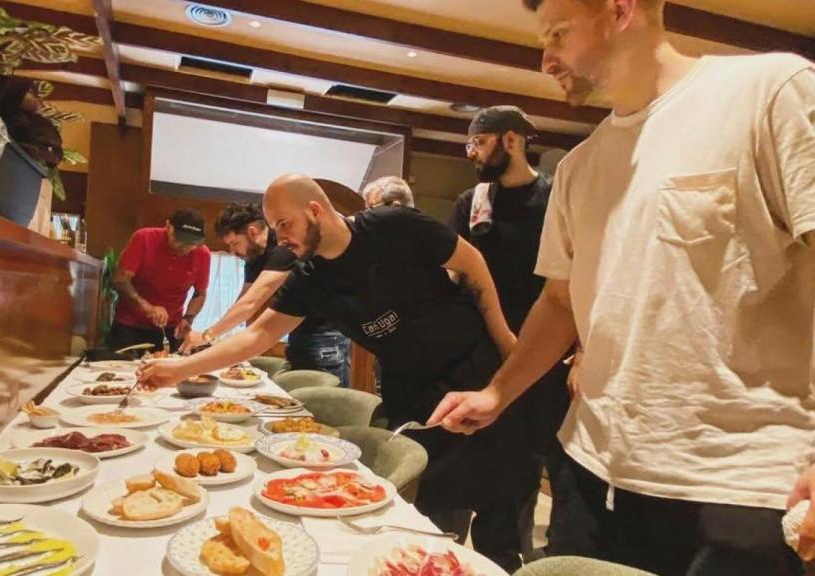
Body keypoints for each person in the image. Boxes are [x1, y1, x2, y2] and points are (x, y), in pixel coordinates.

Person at [429, 1, 814, 575]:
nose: (546, 58)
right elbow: (562, 299)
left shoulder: (769, 90)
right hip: (591, 468)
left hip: (739, 483)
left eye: (558, 33)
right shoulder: (582, 166)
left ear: (620, 10)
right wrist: (497, 393)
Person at [140, 174, 523, 570]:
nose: (281, 238)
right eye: (274, 229)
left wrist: (505, 341)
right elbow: (256, 335)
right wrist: (179, 368)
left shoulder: (391, 225)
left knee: (501, 506)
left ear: (315, 210)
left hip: (474, 368)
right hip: (409, 387)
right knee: (433, 513)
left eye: (284, 224)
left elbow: (471, 263)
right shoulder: (311, 278)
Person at [449, 105, 576, 563]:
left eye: (478, 143)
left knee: (535, 472)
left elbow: (571, 285)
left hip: (547, 352)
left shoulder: (556, 197)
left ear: (511, 141)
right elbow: (457, 274)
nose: (472, 154)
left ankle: (526, 561)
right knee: (485, 470)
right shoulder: (473, 202)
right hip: (484, 354)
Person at [180, 203, 351, 385]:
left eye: (234, 243)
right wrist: (221, 335)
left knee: (322, 403)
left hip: (325, 335)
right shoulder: (254, 258)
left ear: (253, 232)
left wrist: (207, 335)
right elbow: (244, 300)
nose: (232, 251)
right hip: (297, 330)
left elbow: (251, 303)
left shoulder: (283, 246)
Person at [110, 209, 211, 352]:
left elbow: (200, 293)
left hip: (171, 329)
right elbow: (120, 279)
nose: (184, 249)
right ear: (169, 227)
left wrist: (188, 318)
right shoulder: (144, 238)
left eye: (191, 244)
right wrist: (146, 306)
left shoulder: (202, 254)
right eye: (180, 242)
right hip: (129, 326)